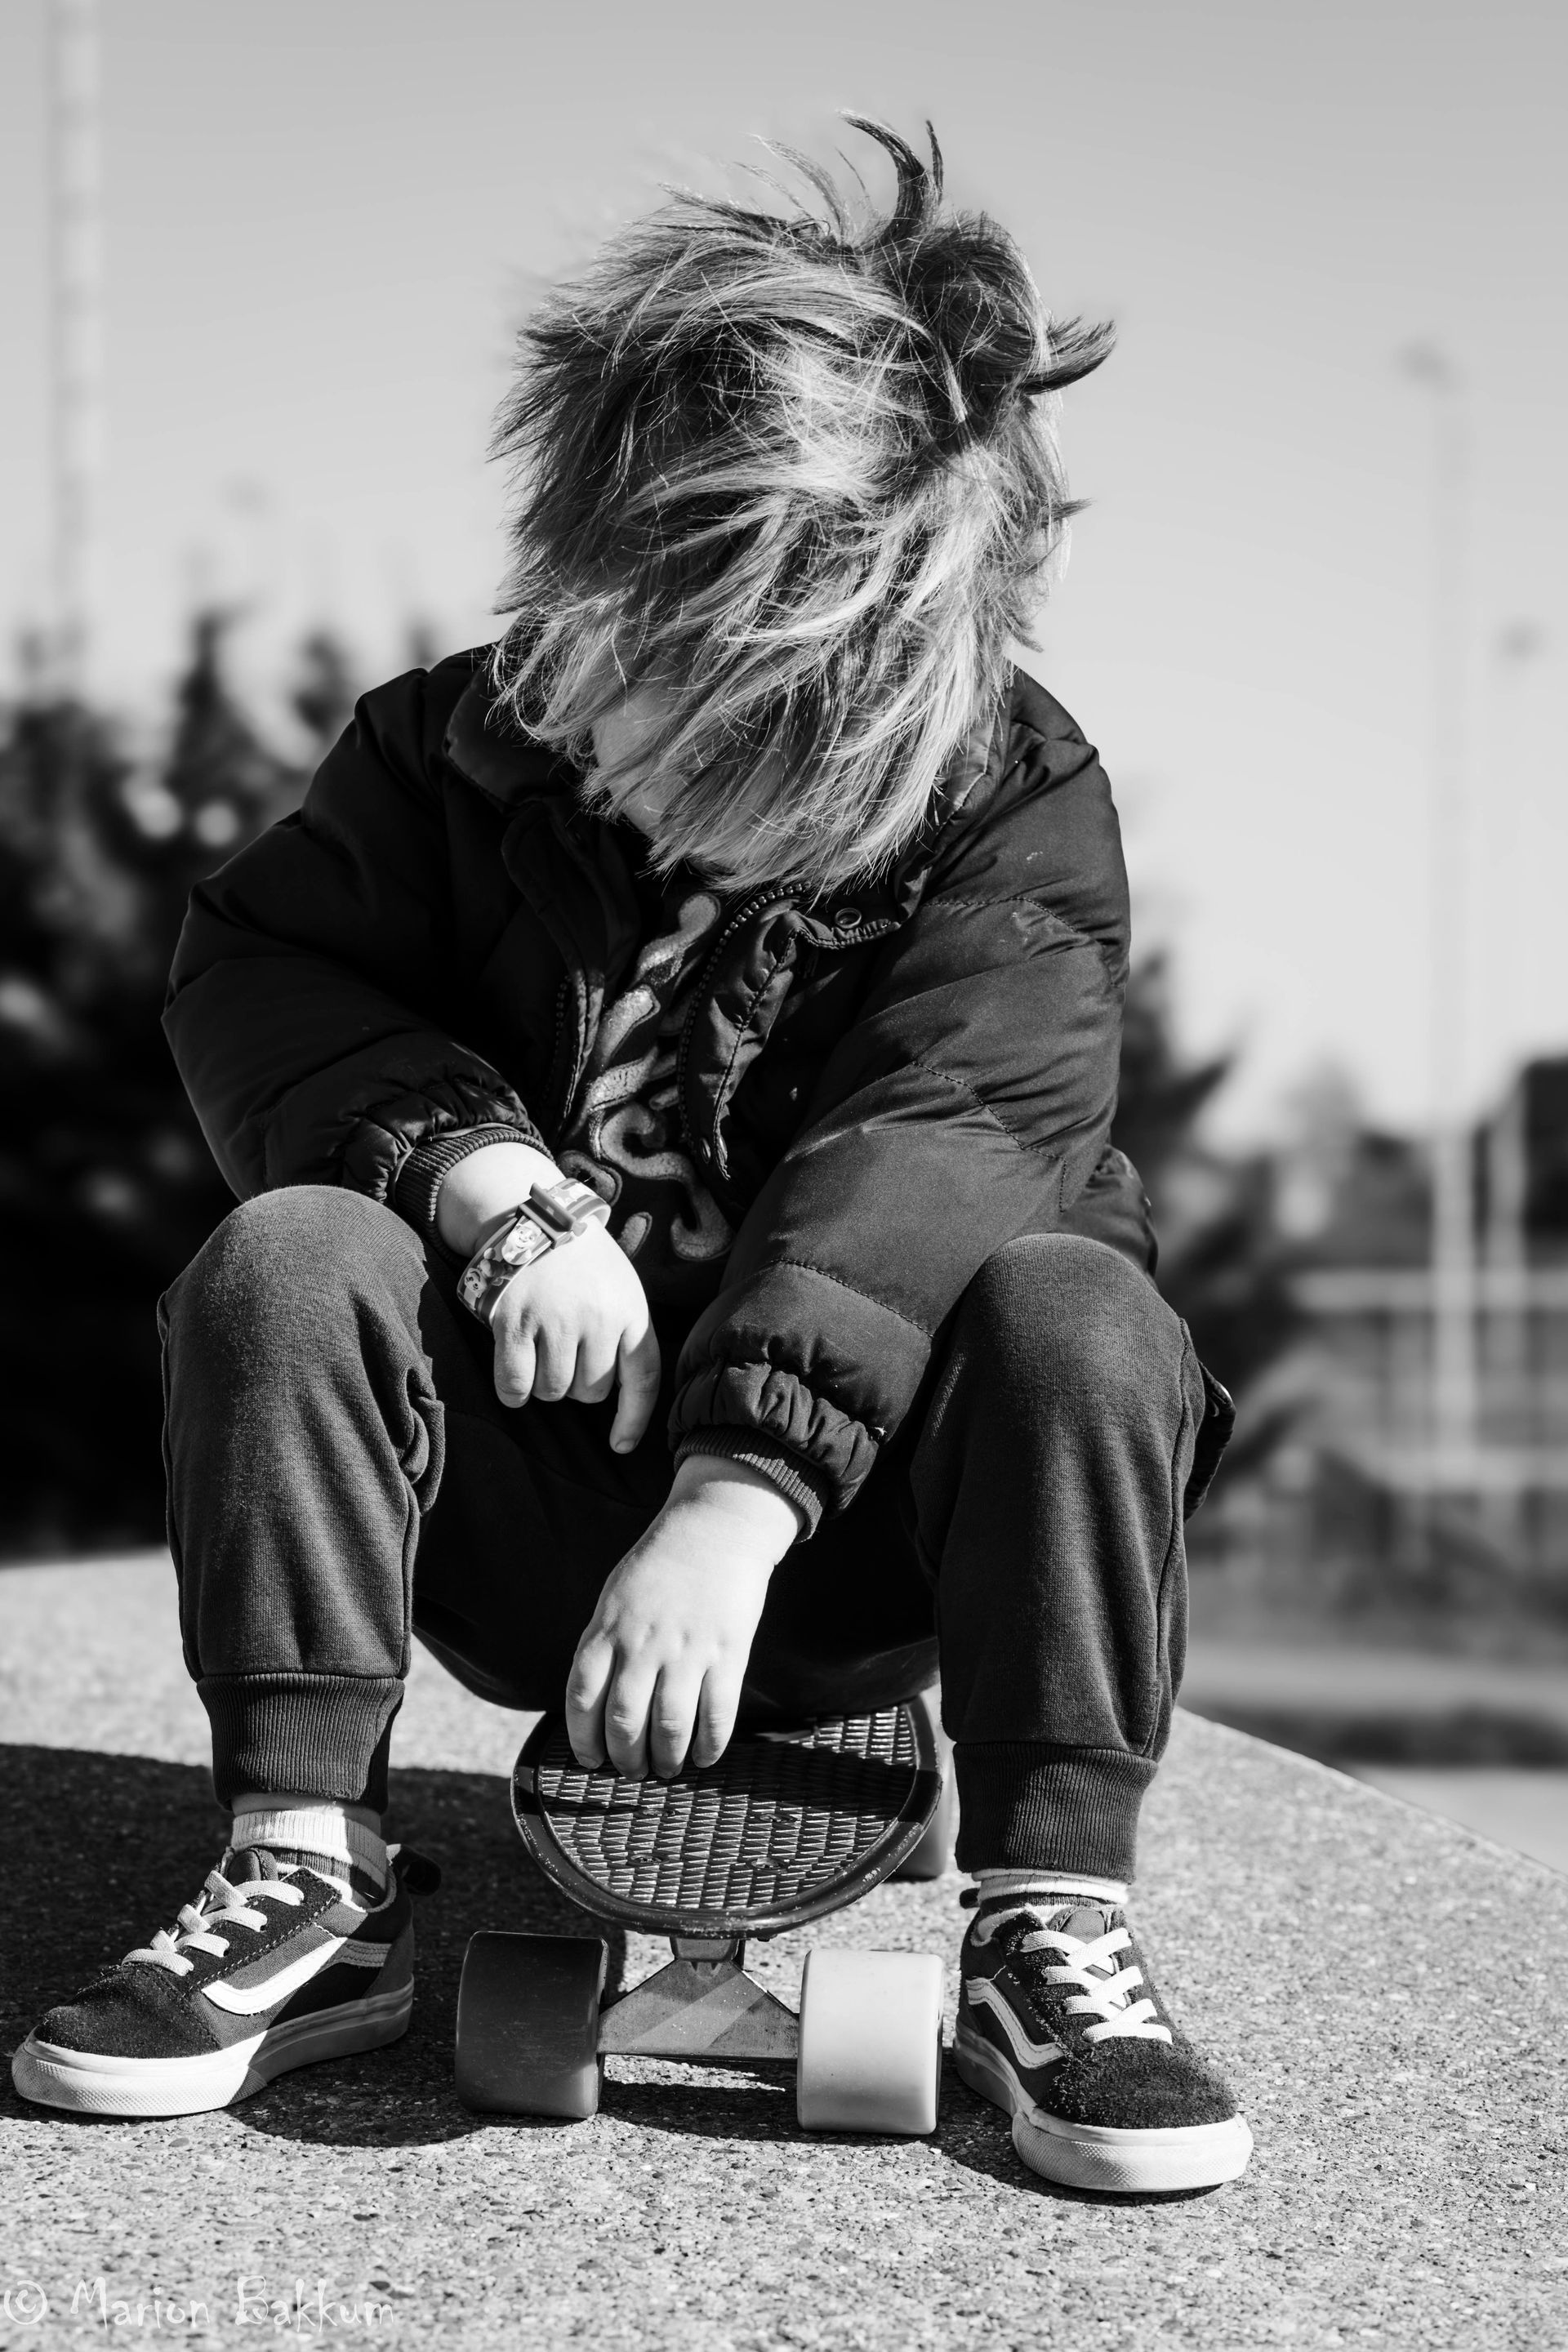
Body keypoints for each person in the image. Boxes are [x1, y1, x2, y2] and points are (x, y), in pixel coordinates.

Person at [12, 120, 1250, 2193]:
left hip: (853, 1540)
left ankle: (1054, 1914)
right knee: (292, 1251)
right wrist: (485, 1183)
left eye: (745, 741)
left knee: (1079, 1311)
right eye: (641, 687)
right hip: (521, 1501)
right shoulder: (449, 747)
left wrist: (744, 1492)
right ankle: (305, 1864)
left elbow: (945, 1134)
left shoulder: (1018, 807)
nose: (647, 764)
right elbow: (263, 972)